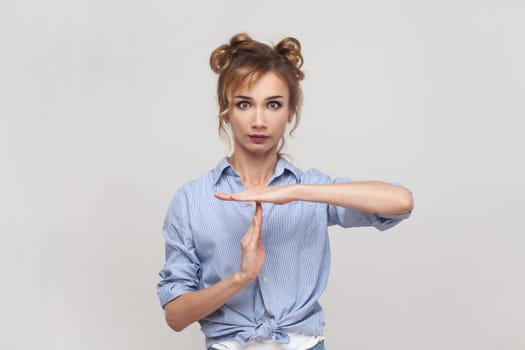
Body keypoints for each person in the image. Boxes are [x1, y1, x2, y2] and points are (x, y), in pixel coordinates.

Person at [157, 33, 413, 350]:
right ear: (226, 109)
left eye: (273, 104)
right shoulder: (192, 200)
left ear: (291, 111)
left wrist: (297, 191)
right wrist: (241, 277)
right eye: (244, 104)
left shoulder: (311, 190)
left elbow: (400, 202)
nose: (259, 120)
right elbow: (175, 316)